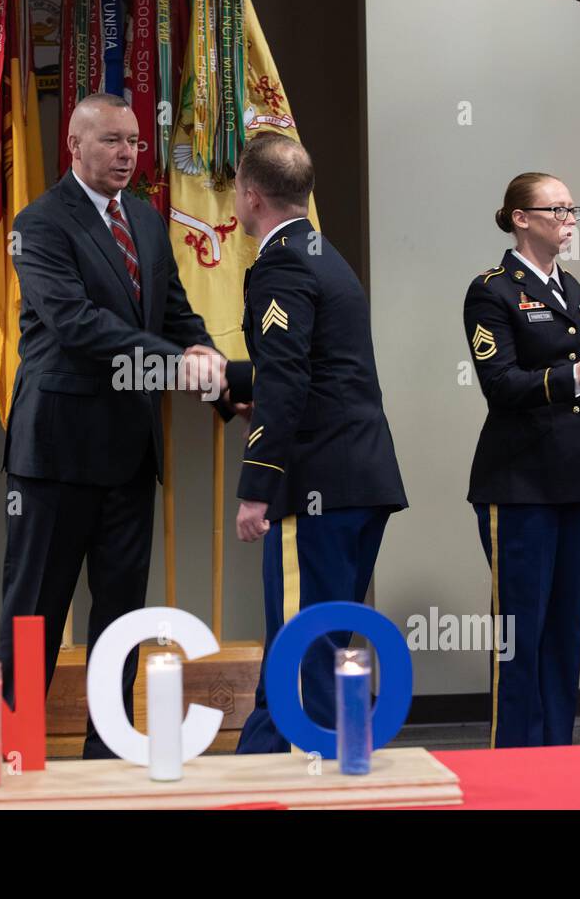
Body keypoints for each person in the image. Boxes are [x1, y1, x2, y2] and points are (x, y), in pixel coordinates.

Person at [0, 93, 226, 758]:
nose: (128, 154)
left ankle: (109, 758)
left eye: (134, 142)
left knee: (121, 619)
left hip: (130, 455)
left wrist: (211, 373)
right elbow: (77, 326)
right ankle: (14, 754)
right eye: (112, 141)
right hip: (56, 456)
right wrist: (178, 365)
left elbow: (173, 313)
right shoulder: (39, 225)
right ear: (74, 145)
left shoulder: (148, 221)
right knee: (34, 615)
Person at [223, 133, 407, 754]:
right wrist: (227, 378)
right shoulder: (327, 254)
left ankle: (313, 780)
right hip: (361, 476)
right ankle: (269, 767)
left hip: (315, 486)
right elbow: (319, 368)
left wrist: (257, 487)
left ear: (250, 196)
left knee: (305, 650)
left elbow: (287, 379)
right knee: (317, 647)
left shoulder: (280, 263)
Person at [463, 171, 580, 748]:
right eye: (557, 209)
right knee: (521, 632)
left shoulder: (571, 288)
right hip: (520, 481)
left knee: (565, 630)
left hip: (576, 480)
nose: (569, 218)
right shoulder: (493, 290)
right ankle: (515, 760)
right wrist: (573, 374)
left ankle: (557, 758)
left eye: (573, 209)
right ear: (521, 218)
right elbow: (500, 384)